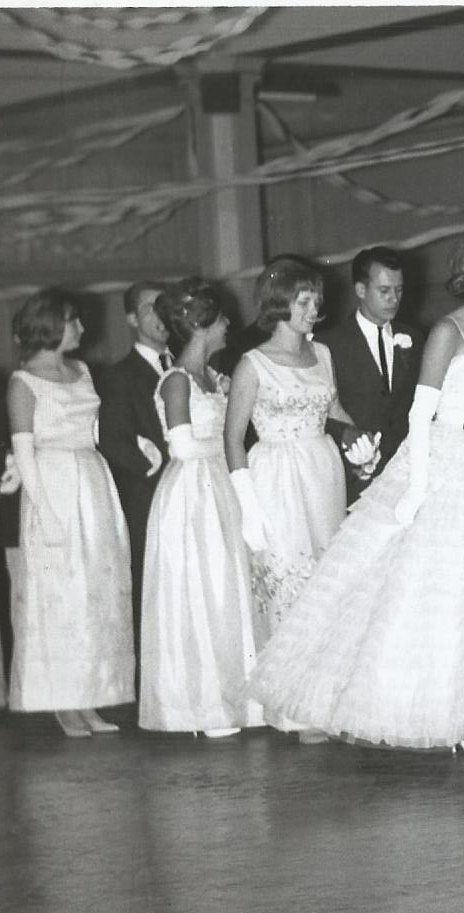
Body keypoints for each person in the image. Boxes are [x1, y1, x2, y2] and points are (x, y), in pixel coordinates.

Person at [247, 232, 464, 753]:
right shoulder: (446, 331)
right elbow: (420, 414)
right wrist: (415, 487)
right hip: (451, 456)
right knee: (453, 588)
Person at [224, 257, 360, 737]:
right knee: (289, 586)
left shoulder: (322, 353)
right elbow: (232, 438)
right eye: (304, 302)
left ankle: (325, 700)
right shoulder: (252, 364)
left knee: (327, 585)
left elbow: (334, 408)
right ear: (280, 304)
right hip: (276, 478)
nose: (313, 310)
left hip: (322, 471)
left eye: (316, 302)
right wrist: (248, 508)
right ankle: (292, 706)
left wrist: (357, 439)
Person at [6, 289, 133, 736]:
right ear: (50, 327)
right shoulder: (23, 383)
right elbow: (25, 453)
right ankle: (62, 701)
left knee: (95, 593)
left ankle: (90, 697)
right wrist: (46, 515)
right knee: (60, 595)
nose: (80, 327)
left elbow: (93, 432)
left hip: (92, 483)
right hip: (53, 487)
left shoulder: (82, 371)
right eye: (72, 320)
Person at [138, 278, 262, 737]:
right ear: (201, 326)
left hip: (220, 484)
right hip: (194, 492)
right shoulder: (177, 381)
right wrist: (224, 445)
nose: (229, 324)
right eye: (222, 317)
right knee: (203, 589)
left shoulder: (215, 377)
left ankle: (239, 698)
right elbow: (182, 446)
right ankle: (205, 704)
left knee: (230, 588)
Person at [318, 246, 425, 504]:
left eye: (399, 290)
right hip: (354, 476)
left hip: (407, 472)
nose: (394, 299)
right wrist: (348, 436)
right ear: (361, 290)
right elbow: (318, 413)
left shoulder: (414, 337)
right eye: (384, 291)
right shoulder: (328, 344)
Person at [97, 280, 171, 648]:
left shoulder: (188, 364)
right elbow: (113, 441)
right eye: (149, 307)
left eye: (165, 304)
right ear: (131, 319)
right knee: (152, 597)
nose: (161, 314)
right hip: (148, 502)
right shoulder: (118, 375)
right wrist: (155, 471)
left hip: (195, 499)